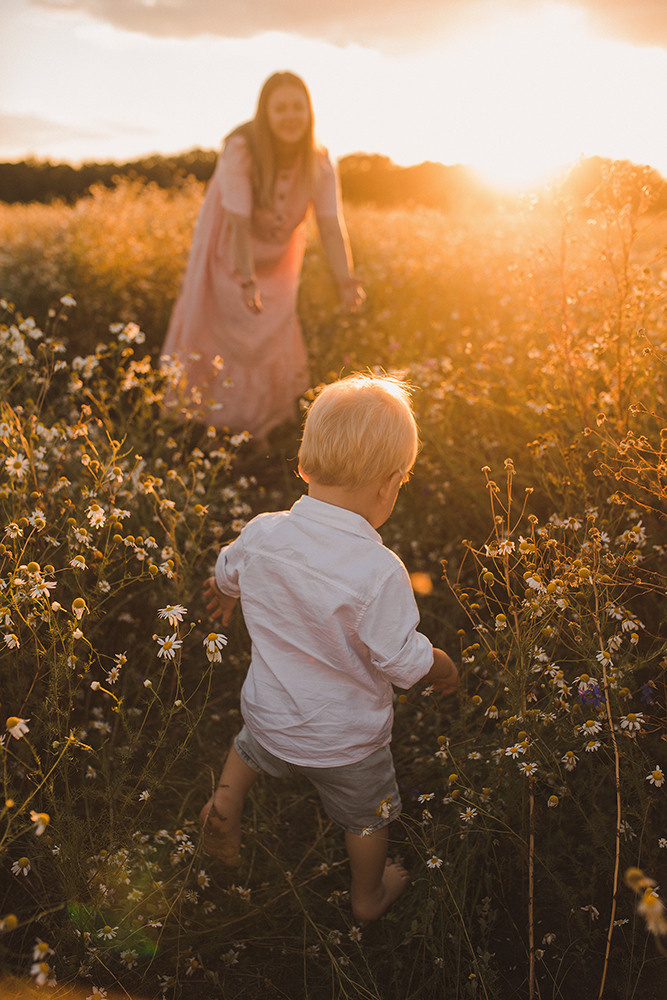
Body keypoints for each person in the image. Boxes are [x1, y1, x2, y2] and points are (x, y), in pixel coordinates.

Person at [200, 373, 459, 922]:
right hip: (347, 745)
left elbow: (228, 568)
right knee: (367, 819)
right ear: (391, 485)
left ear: (302, 463)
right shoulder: (379, 572)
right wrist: (442, 666)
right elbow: (400, 659)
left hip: (269, 716)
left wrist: (224, 594)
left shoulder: (264, 533)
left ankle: (223, 807)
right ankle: (368, 896)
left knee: (246, 754)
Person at [161, 71, 365, 440]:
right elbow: (237, 222)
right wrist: (246, 278)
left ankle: (259, 431)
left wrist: (346, 280)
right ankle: (212, 431)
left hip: (279, 262)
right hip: (229, 254)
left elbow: (331, 225)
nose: (290, 116)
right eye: (280, 108)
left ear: (310, 112)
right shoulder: (241, 148)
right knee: (225, 338)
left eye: (297, 107)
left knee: (268, 338)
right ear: (265, 113)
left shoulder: (319, 160)